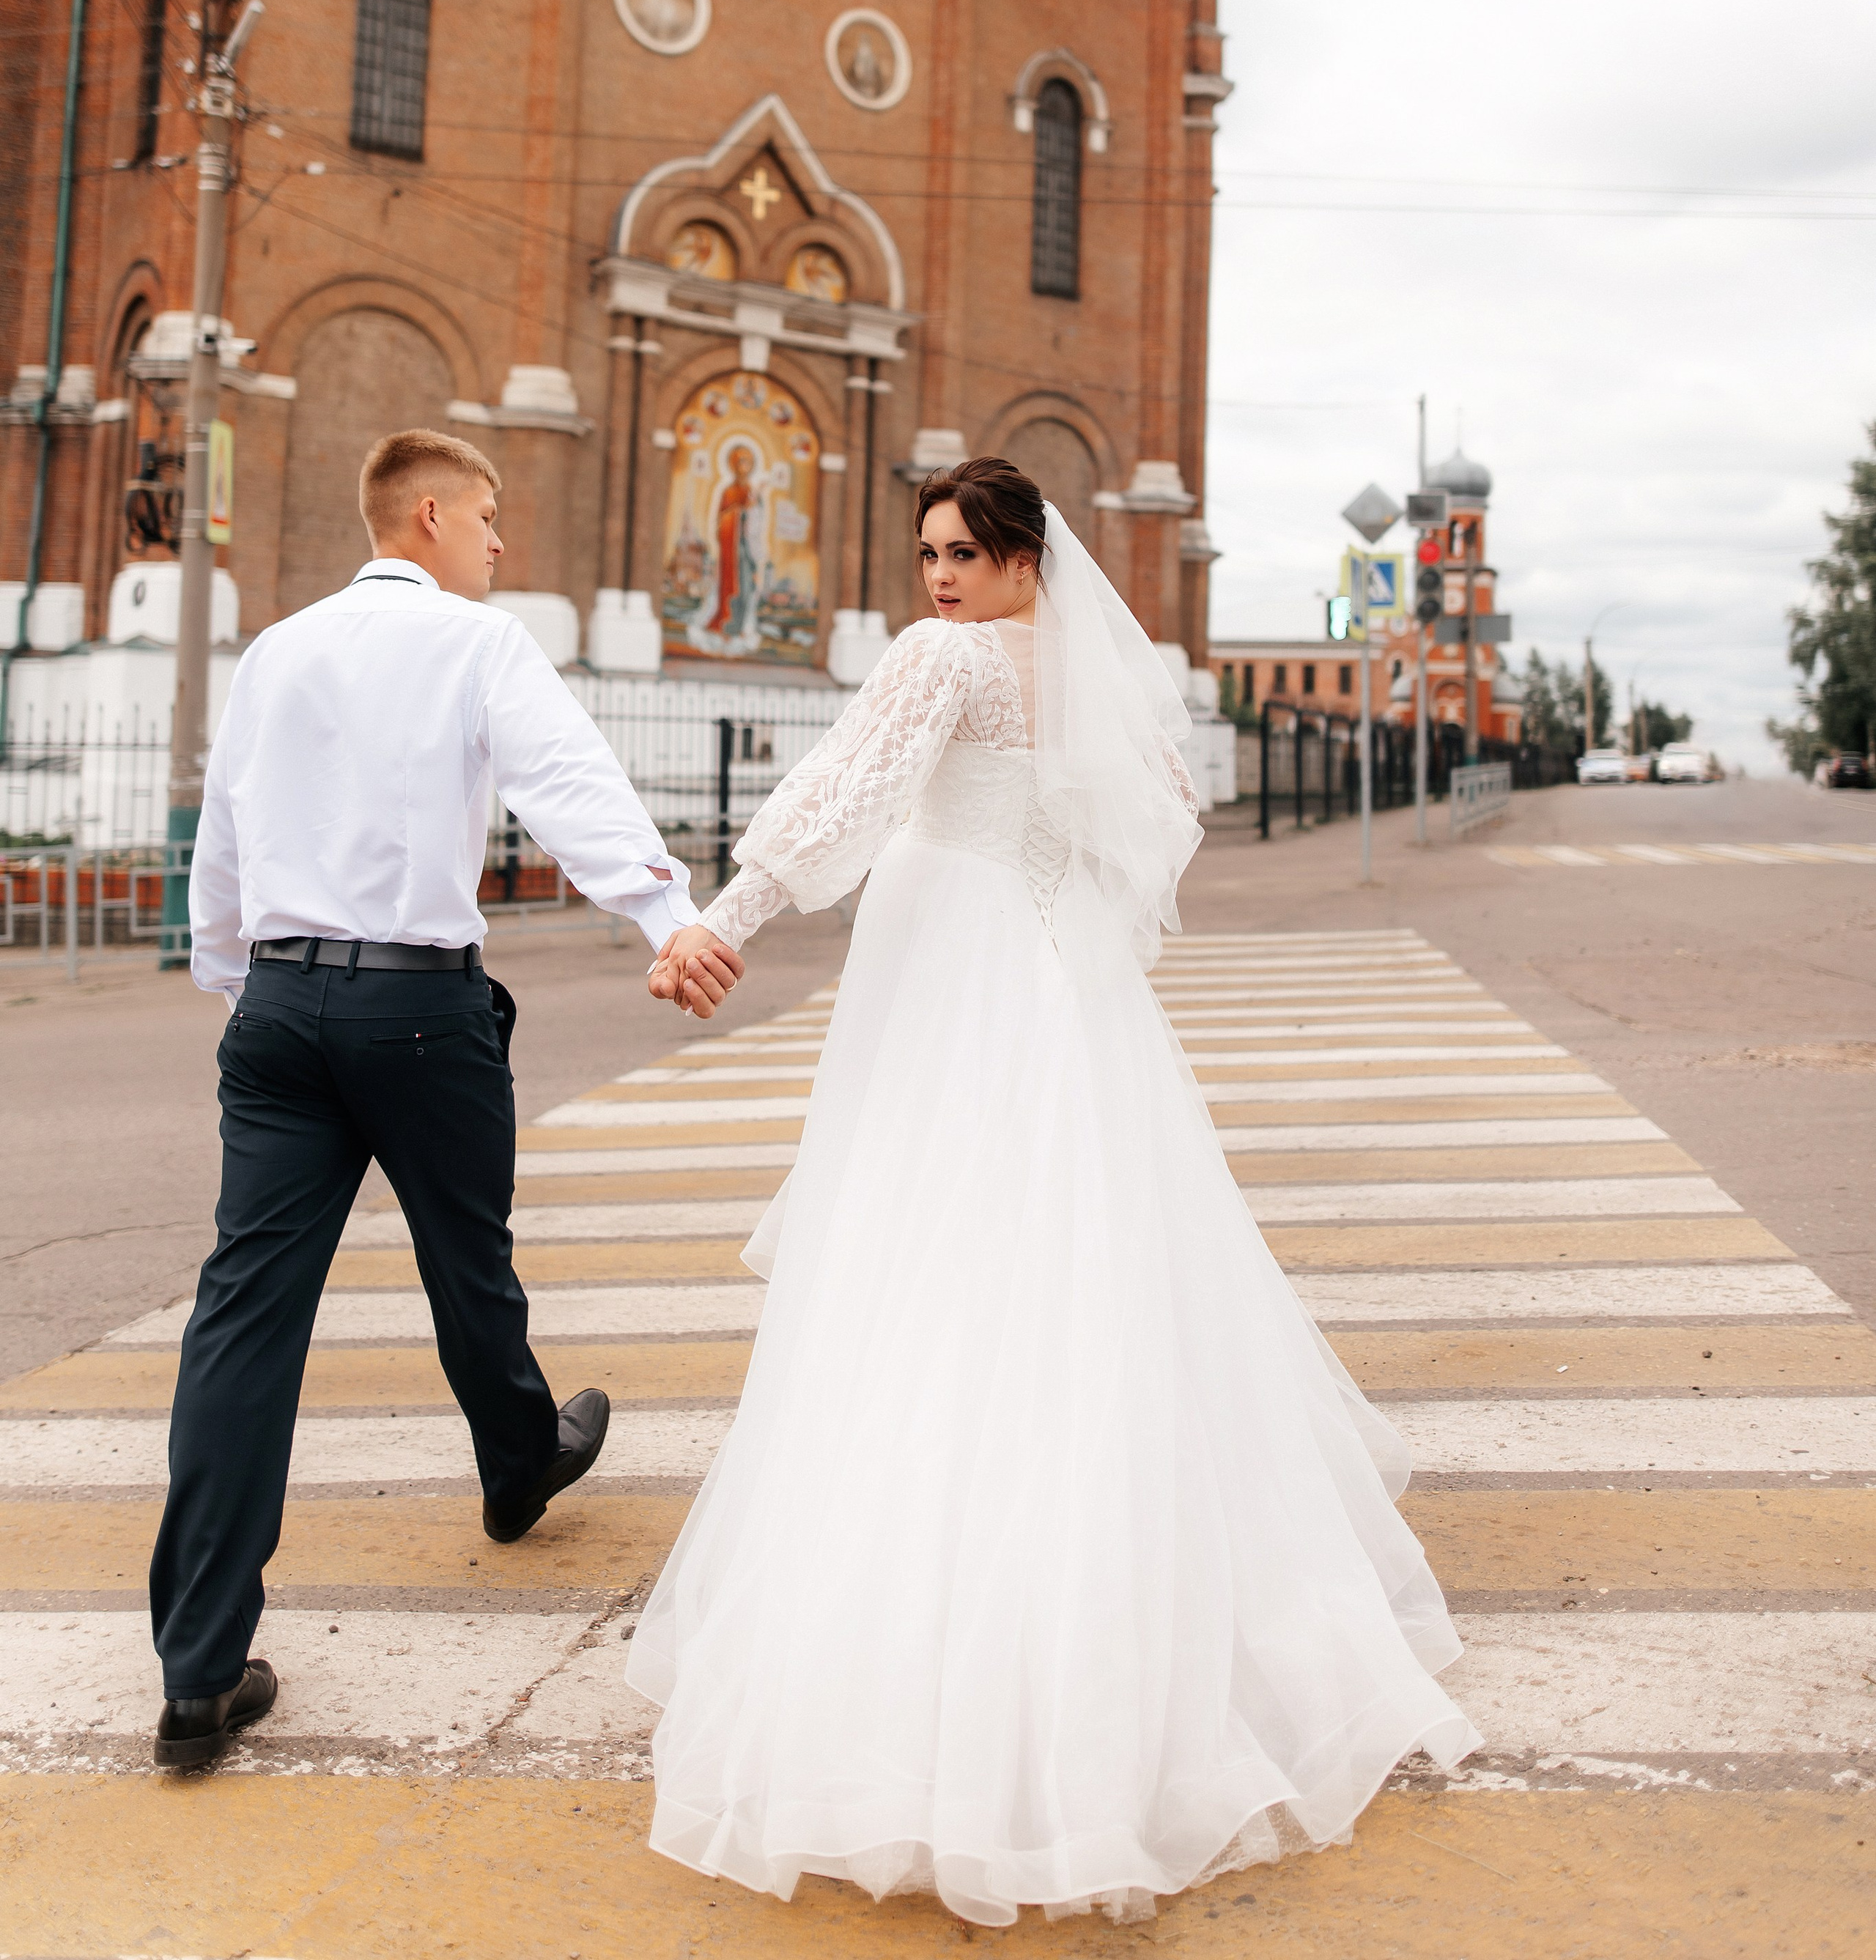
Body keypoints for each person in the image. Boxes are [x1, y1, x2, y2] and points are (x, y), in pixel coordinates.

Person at [636, 457, 1475, 1927]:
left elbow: (836, 797)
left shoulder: (941, 660)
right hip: (1067, 988)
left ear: (1026, 560)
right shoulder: (1101, 675)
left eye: (963, 553)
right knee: (1085, 1266)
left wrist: (718, 921)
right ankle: (1123, 1644)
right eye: (927, 554)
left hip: (954, 983)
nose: (939, 578)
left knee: (930, 1271)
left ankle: (932, 1677)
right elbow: (1162, 811)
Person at [149, 428, 741, 1771]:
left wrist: (236, 980)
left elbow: (224, 833)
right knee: (467, 1260)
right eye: (485, 517)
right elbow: (569, 783)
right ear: (427, 515)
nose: (498, 543)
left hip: (278, 1008)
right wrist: (669, 917)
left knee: (242, 1317)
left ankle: (196, 1671)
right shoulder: (479, 645)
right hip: (418, 1008)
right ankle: (520, 1461)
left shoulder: (275, 651)